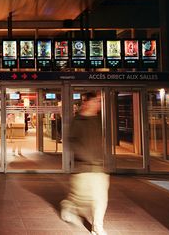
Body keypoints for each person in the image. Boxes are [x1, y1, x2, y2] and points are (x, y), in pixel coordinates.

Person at [60, 92, 109, 235]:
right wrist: (85, 156)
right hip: (83, 167)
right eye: (96, 102)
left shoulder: (98, 120)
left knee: (101, 198)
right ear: (86, 103)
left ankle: (97, 227)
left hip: (99, 167)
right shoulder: (77, 121)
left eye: (99, 102)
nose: (98, 105)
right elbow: (71, 141)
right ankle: (68, 206)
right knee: (80, 199)